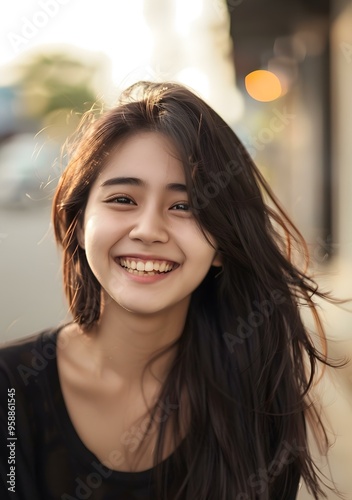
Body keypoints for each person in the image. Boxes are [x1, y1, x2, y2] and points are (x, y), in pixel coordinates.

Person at [0, 81, 344, 499]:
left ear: (222, 243)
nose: (148, 231)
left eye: (185, 206)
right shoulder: (10, 390)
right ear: (79, 222)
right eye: (123, 199)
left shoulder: (257, 393)